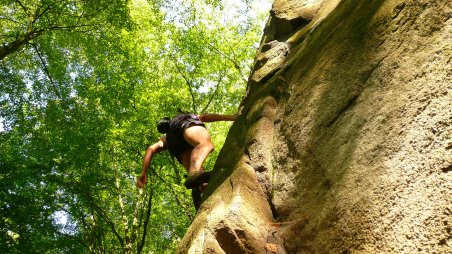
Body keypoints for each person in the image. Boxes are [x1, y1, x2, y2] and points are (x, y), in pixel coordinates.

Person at [136, 112, 236, 209]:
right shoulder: (180, 119)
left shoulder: (165, 138)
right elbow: (205, 117)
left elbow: (151, 149)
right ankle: (194, 175)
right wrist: (230, 117)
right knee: (204, 145)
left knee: (199, 179)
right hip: (184, 124)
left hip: (175, 145)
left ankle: (200, 188)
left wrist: (143, 173)